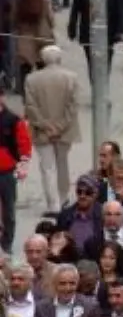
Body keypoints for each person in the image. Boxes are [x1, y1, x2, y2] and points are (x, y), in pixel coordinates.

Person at [22, 45, 81, 214]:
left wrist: (46, 125)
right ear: (60, 59)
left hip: (42, 131)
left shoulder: (32, 79)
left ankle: (53, 204)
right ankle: (64, 200)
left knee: (47, 167)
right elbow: (73, 106)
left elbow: (30, 106)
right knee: (63, 164)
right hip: (65, 130)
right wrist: (61, 126)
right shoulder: (71, 77)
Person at [0, 85, 34, 253]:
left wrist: (23, 166)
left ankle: (6, 243)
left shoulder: (13, 120)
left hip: (6, 172)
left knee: (9, 210)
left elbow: (24, 145)